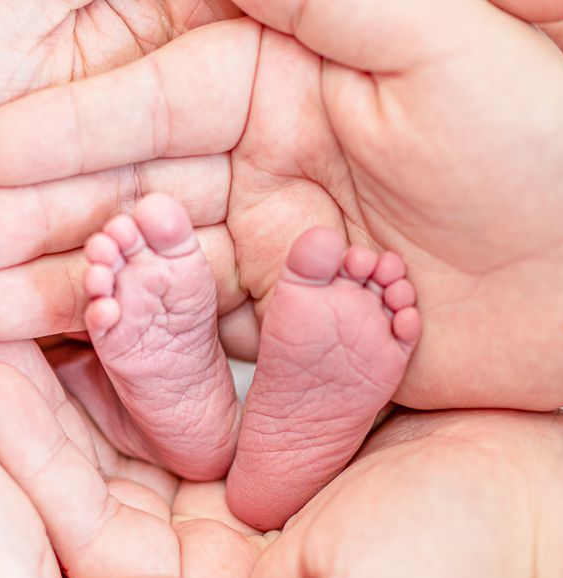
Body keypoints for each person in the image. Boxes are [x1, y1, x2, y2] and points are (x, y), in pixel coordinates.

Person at [0, 0, 563, 578]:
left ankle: (189, 415)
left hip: (70, 383)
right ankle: (226, 425)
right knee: (82, 361)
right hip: (409, 440)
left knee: (81, 372)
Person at [79, 193, 419, 529]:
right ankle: (274, 481)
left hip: (97, 384)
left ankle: (161, 427)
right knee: (71, 367)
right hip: (251, 371)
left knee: (73, 377)